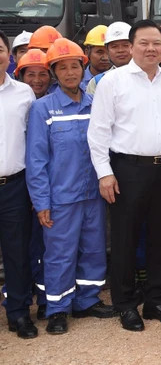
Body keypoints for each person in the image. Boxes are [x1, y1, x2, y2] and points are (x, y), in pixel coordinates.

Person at [87, 20, 161, 332]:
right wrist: (104, 173)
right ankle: (125, 305)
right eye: (144, 43)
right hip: (127, 170)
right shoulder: (113, 82)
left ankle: (156, 300)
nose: (151, 49)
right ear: (132, 46)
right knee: (125, 238)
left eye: (156, 43)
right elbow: (98, 131)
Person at [25, 38, 116, 335]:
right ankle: (57, 308)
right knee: (60, 255)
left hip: (93, 195)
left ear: (82, 67)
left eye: (74, 66)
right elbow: (36, 160)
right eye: (62, 68)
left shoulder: (95, 104)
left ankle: (87, 300)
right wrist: (42, 202)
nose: (69, 73)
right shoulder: (43, 109)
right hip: (61, 198)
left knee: (93, 249)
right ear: (53, 72)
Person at [0, 29, 38, 339]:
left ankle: (19, 312)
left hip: (14, 185)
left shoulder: (24, 93)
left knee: (17, 252)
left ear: (9, 55)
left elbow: (33, 141)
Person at [13, 48, 50, 319]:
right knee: (18, 245)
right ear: (20, 75)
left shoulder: (53, 103)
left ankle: (46, 296)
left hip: (43, 183)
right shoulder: (16, 98)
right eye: (30, 74)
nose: (37, 80)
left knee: (45, 243)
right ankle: (19, 297)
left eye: (42, 74)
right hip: (17, 183)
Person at [85, 22, 133, 95]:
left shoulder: (148, 75)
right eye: (114, 46)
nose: (120, 50)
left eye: (125, 45)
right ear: (108, 49)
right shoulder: (98, 82)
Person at [80, 25, 110, 90]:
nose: (105, 58)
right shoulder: (77, 81)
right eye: (100, 52)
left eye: (108, 52)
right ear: (87, 52)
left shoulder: (121, 80)